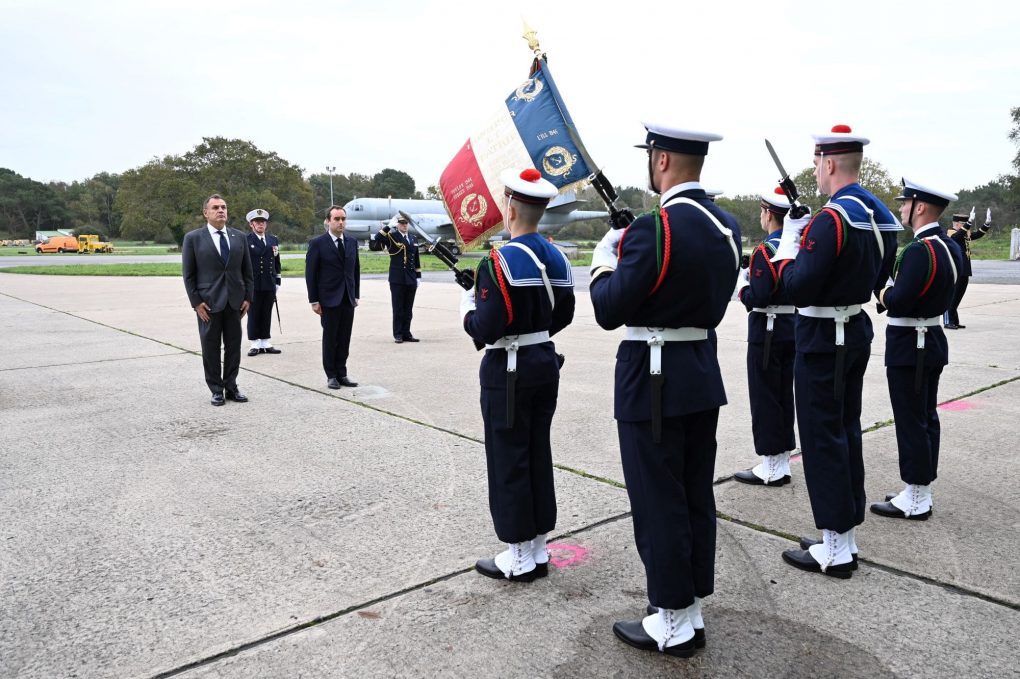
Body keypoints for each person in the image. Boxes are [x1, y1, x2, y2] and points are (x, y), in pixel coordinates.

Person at [590, 123, 741, 657]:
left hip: (652, 379)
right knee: (694, 494)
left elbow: (609, 309)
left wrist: (605, 259)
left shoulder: (656, 228)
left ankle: (672, 623)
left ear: (660, 161)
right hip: (699, 370)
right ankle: (689, 607)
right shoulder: (727, 227)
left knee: (658, 500)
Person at [772, 124, 901, 579]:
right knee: (845, 431)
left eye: (816, 162)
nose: (815, 170)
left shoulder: (832, 217)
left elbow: (795, 285)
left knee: (822, 439)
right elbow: (881, 272)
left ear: (828, 163)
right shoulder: (880, 211)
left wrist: (791, 242)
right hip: (856, 329)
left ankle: (835, 549)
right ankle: (842, 535)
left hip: (823, 335)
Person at [461, 168, 575, 585]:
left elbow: (487, 326)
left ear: (510, 207)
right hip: (543, 361)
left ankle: (518, 556)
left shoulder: (499, 260)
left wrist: (466, 313)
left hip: (507, 370)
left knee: (508, 458)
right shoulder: (558, 255)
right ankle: (540, 544)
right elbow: (563, 313)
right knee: (537, 452)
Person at [870, 179, 963, 520]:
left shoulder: (920, 250)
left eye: (904, 203)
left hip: (912, 345)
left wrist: (881, 290)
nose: (900, 208)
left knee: (912, 420)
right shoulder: (948, 245)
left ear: (919, 207)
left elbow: (898, 301)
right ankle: (919, 489)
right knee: (925, 418)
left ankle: (916, 496)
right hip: (930, 339)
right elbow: (955, 290)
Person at [733, 188, 804, 486]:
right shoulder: (796, 247)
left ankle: (771, 465)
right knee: (784, 395)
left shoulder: (767, 251)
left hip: (768, 330)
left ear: (768, 214)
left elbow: (757, 298)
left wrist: (742, 283)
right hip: (793, 326)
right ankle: (782, 460)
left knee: (766, 398)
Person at [181, 194, 254, 406]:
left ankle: (231, 386)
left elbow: (247, 272)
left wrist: (248, 298)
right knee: (210, 347)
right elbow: (189, 274)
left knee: (233, 347)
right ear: (206, 212)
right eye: (215, 208)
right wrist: (196, 303)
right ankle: (216, 389)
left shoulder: (239, 237)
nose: (221, 210)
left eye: (223, 207)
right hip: (208, 304)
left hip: (235, 303)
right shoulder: (193, 238)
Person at [305, 205, 360, 389]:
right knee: (331, 338)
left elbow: (355, 271)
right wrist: (314, 300)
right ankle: (331, 375)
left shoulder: (352, 242)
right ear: (328, 221)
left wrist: (356, 294)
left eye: (343, 219)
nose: (341, 222)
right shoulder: (317, 243)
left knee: (344, 338)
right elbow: (311, 274)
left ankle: (342, 373)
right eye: (336, 219)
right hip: (328, 299)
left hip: (347, 298)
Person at [372, 215, 422, 343]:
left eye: (406, 223)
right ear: (397, 224)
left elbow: (416, 258)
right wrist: (389, 226)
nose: (404, 225)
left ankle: (407, 333)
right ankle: (398, 334)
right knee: (398, 308)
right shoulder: (391, 236)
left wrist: (418, 276)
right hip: (397, 278)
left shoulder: (413, 238)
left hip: (411, 278)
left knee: (408, 309)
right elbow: (377, 238)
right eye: (401, 223)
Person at [944, 207, 992, 329]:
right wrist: (969, 222)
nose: (968, 227)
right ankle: (948, 321)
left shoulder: (963, 234)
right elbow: (956, 237)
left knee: (958, 296)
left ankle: (954, 320)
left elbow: (977, 234)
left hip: (964, 269)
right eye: (965, 224)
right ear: (958, 224)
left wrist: (987, 223)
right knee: (952, 296)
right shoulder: (951, 233)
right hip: (955, 270)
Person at [245, 208, 282, 357]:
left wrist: (278, 280)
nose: (261, 225)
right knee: (253, 313)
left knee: (266, 312)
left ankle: (265, 341)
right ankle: (255, 343)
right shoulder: (247, 240)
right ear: (251, 225)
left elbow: (276, 261)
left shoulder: (273, 240)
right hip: (253, 284)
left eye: (263, 222)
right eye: (257, 222)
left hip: (269, 282)